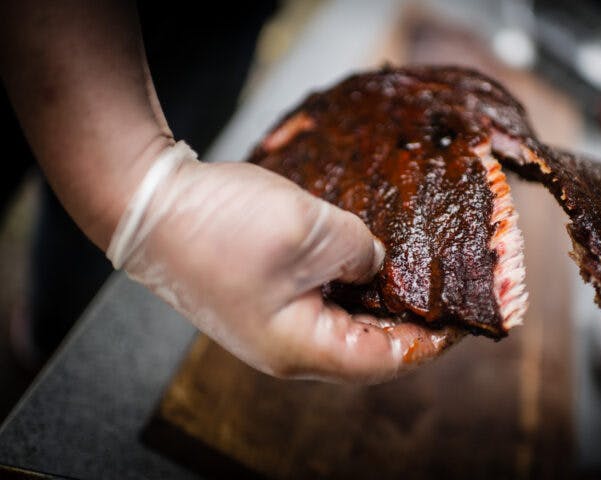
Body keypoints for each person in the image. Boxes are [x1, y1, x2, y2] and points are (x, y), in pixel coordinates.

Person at [0, 1, 456, 383]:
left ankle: (46, 345)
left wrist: (153, 190)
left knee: (80, 270)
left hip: (218, 21)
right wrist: (152, 192)